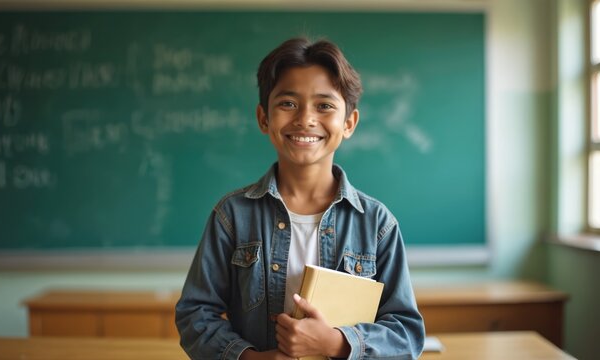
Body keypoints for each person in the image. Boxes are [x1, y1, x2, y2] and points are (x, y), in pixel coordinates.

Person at [176, 37, 425, 359]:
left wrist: (335, 343)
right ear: (264, 118)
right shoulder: (232, 216)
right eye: (288, 103)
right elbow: (195, 314)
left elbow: (407, 333)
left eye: (324, 105)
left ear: (349, 123)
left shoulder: (376, 223)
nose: (305, 119)